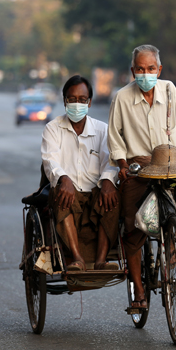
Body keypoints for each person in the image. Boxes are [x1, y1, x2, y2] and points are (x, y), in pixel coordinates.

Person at [108, 44, 176, 308]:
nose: (145, 73)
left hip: (169, 165)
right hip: (138, 168)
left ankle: (172, 250)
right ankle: (139, 291)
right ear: (133, 71)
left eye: (151, 69)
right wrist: (122, 165)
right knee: (133, 227)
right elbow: (115, 138)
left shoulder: (170, 90)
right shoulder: (122, 98)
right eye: (140, 69)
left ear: (159, 70)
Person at [41, 75, 120, 272]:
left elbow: (111, 161)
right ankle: (77, 259)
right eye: (72, 99)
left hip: (95, 193)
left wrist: (109, 181)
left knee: (112, 198)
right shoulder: (52, 128)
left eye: (82, 99)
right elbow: (50, 160)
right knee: (59, 195)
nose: (77, 104)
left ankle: (101, 261)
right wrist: (63, 178)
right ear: (65, 101)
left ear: (90, 102)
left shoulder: (102, 130)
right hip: (70, 194)